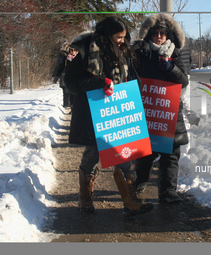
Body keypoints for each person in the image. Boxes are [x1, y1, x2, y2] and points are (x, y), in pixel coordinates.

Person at [64, 16, 153, 216]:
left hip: (119, 112)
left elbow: (133, 78)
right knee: (93, 154)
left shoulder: (124, 51)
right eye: (118, 37)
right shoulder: (84, 49)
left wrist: (133, 90)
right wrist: (99, 83)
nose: (122, 40)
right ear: (107, 35)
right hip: (92, 112)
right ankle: (85, 198)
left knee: (124, 154)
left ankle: (130, 202)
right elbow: (70, 81)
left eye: (124, 37)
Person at [132, 13, 189, 203]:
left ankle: (167, 191)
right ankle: (140, 180)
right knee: (145, 151)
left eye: (163, 33)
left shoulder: (176, 53)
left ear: (169, 35)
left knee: (171, 151)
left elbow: (184, 80)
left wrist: (170, 68)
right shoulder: (140, 52)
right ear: (149, 34)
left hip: (169, 108)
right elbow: (130, 73)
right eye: (155, 33)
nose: (159, 36)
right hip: (146, 108)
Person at [51, 40, 73, 108]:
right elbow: (58, 67)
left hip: (69, 75)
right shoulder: (61, 56)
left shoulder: (71, 55)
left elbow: (57, 67)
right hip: (65, 75)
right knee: (67, 91)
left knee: (68, 92)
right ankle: (68, 105)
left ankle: (68, 105)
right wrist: (54, 76)